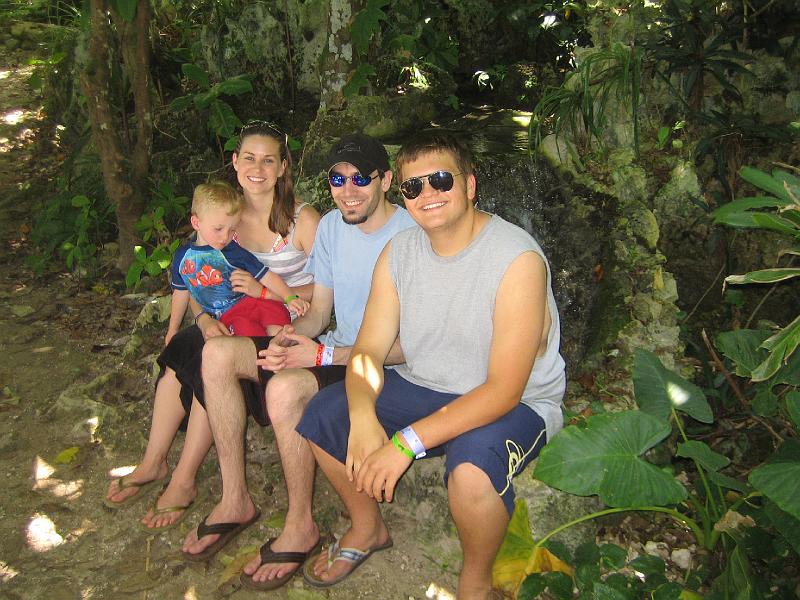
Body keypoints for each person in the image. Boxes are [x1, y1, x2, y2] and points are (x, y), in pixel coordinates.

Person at [296, 130, 566, 599]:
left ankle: (474, 584)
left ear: (470, 185)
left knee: (472, 470)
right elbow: (367, 352)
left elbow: (503, 388)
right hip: (425, 383)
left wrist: (404, 443)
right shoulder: (399, 253)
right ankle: (367, 527)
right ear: (401, 195)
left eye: (441, 180)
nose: (428, 194)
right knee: (324, 414)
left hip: (515, 401)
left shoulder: (517, 258)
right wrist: (363, 418)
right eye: (413, 187)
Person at [180, 133, 416, 590]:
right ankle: (234, 500)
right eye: (337, 178)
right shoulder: (330, 227)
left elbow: (414, 344)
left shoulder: (410, 234)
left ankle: (300, 524)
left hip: (385, 364)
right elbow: (321, 314)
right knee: (218, 353)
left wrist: (320, 353)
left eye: (361, 178)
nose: (348, 189)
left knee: (286, 387)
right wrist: (289, 336)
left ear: (386, 181)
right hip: (337, 349)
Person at [104, 122, 320, 534]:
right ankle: (154, 461)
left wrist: (270, 292)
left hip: (275, 323)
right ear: (235, 162)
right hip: (226, 317)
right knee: (178, 355)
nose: (258, 168)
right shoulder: (223, 212)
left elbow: (327, 289)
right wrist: (201, 317)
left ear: (282, 167)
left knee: (209, 364)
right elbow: (197, 276)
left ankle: (184, 481)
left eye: (268, 160)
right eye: (249, 158)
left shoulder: (302, 219)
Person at [168, 180, 309, 341]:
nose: (225, 237)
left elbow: (266, 276)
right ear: (196, 223)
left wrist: (289, 297)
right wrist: (172, 330)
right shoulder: (183, 258)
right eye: (218, 229)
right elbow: (181, 293)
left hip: (257, 303)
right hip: (231, 315)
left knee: (278, 332)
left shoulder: (233, 251)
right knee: (251, 343)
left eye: (232, 230)